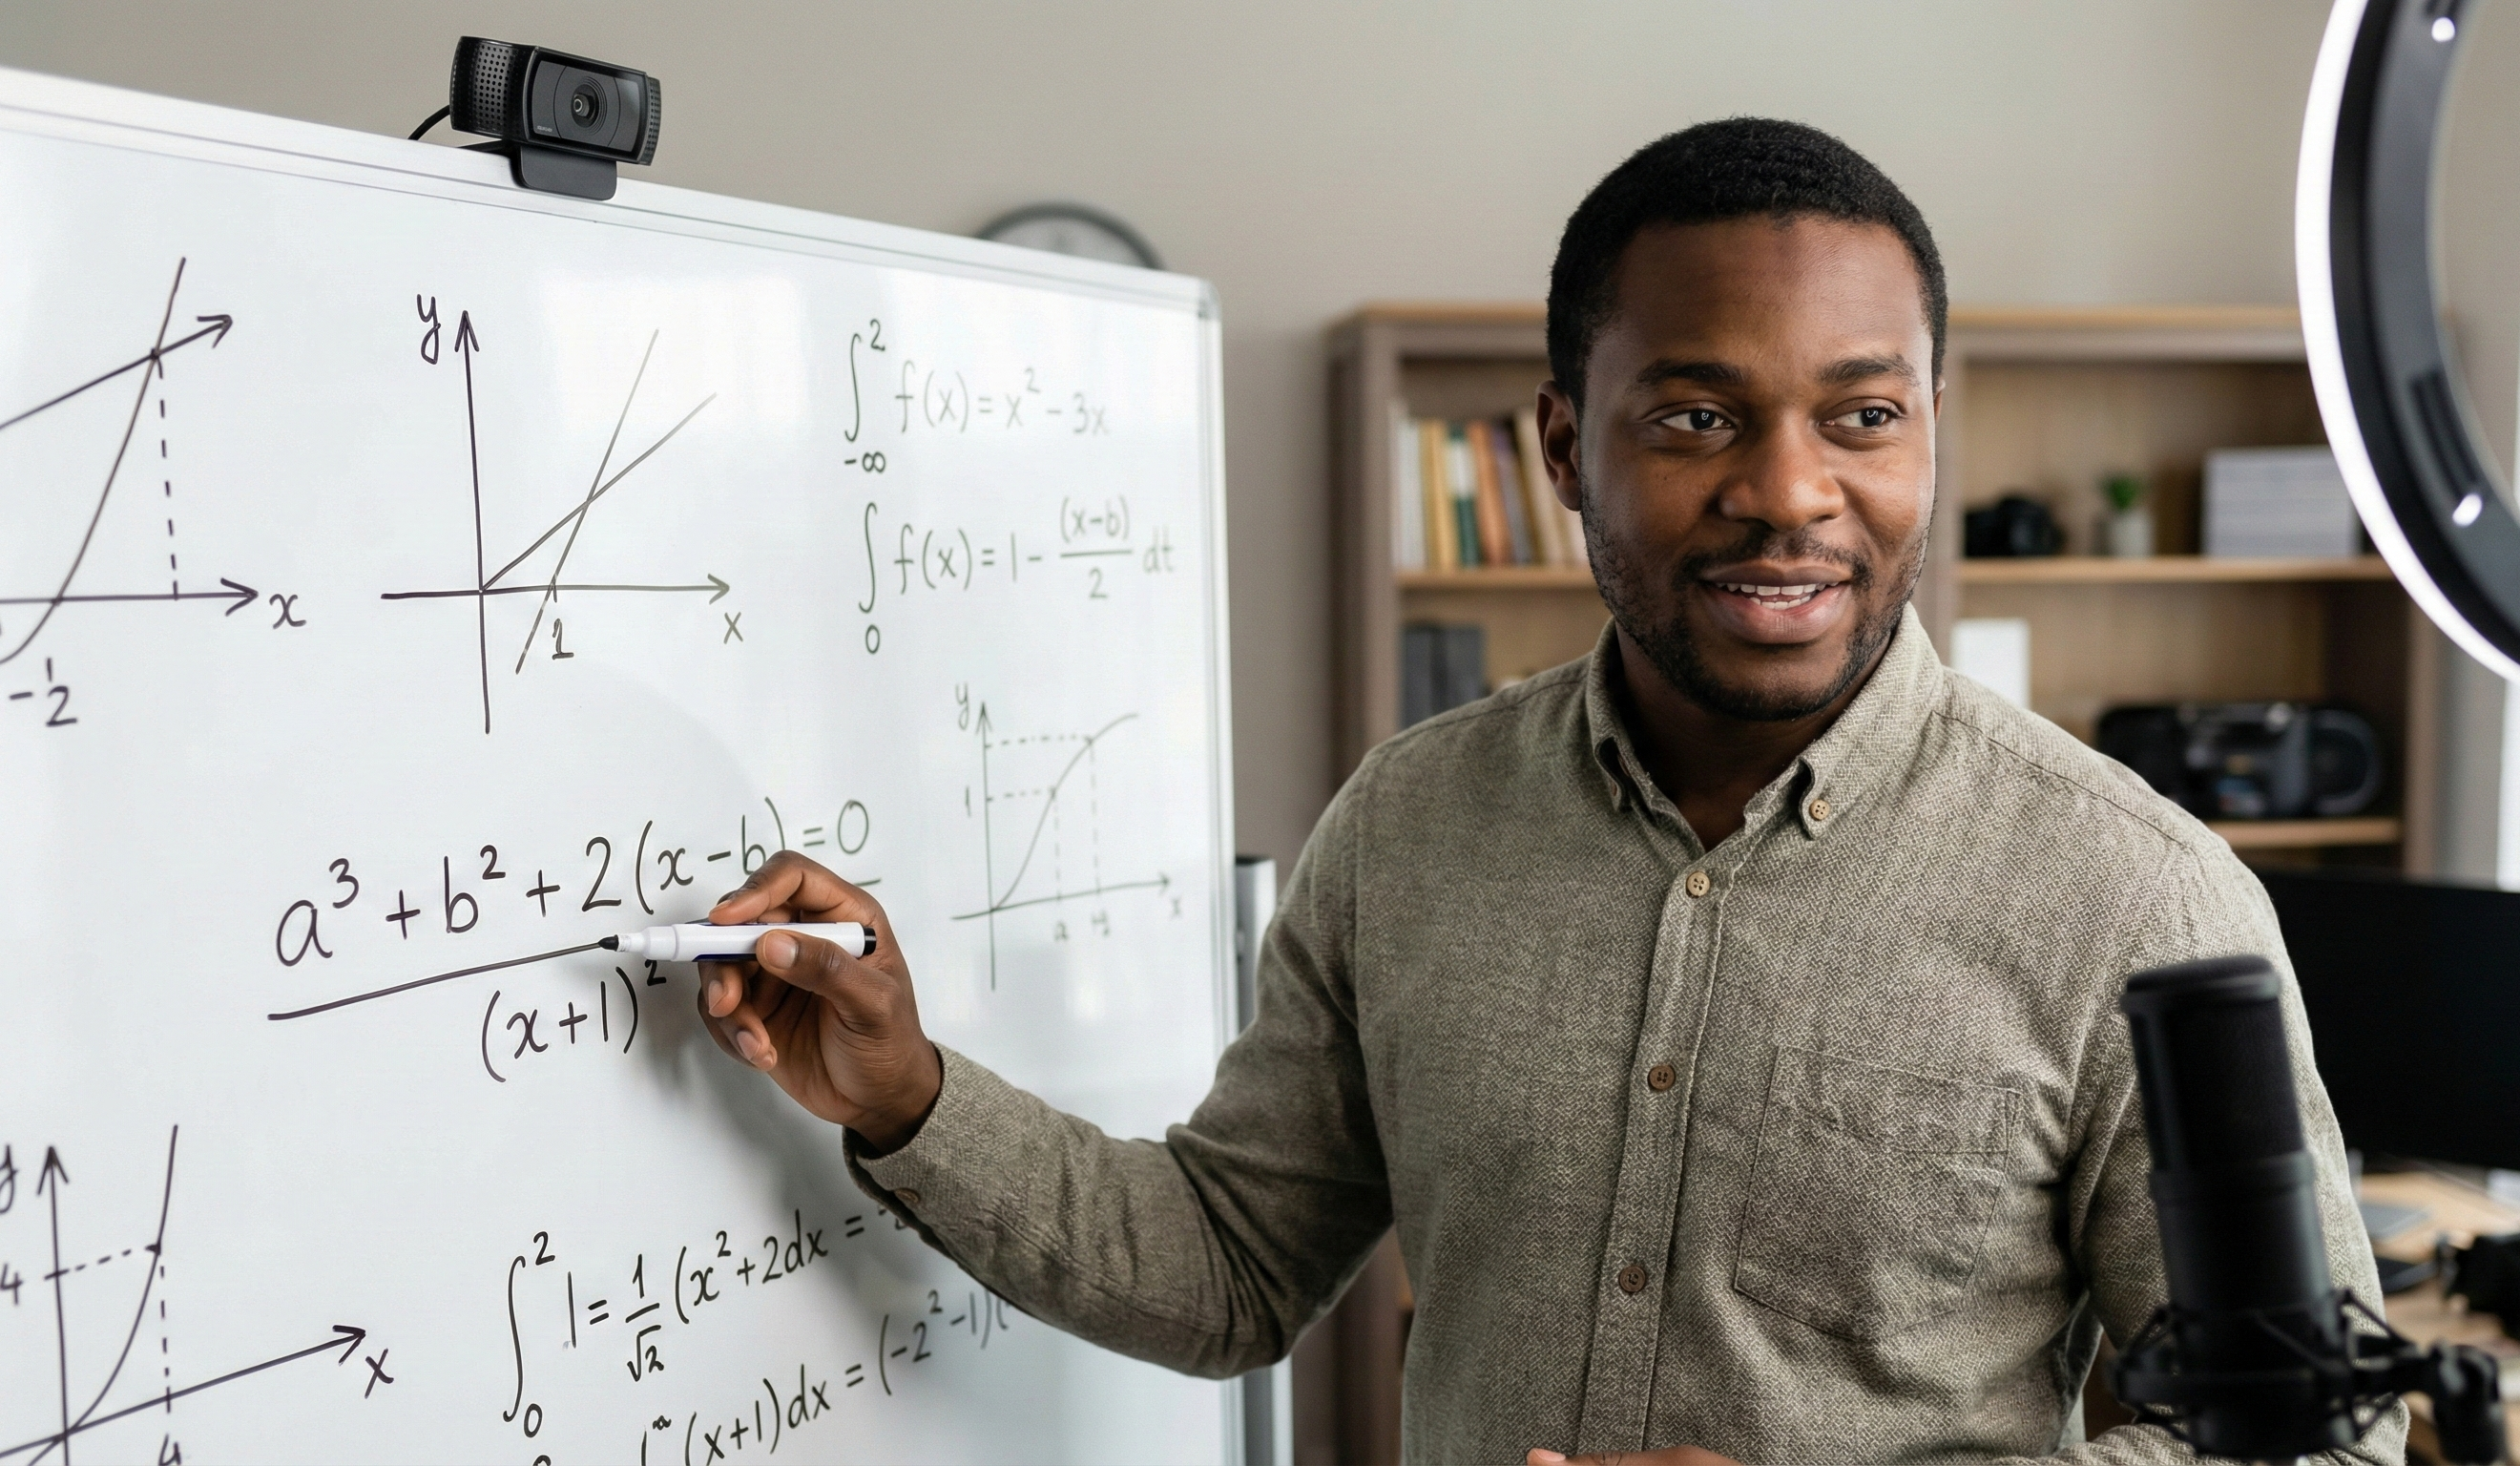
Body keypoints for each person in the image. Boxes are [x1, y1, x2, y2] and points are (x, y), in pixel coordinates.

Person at [696, 117, 2398, 1463]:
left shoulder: (2142, 903)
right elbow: (1226, 1269)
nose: (1790, 492)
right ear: (1564, 448)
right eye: (1698, 417)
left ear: (1933, 432)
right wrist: (913, 1095)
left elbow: (2320, 1445)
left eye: (1862, 416)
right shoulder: (1410, 826)